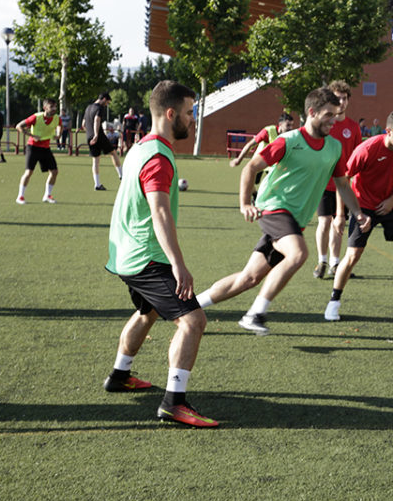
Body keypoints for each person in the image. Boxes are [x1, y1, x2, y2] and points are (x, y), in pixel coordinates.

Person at [194, 87, 371, 336]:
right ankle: (255, 313)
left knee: (248, 278)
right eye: (329, 115)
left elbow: (343, 184)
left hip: (295, 221)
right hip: (274, 209)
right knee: (298, 254)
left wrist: (358, 213)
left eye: (336, 115)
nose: (334, 120)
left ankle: (188, 306)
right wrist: (245, 203)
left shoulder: (334, 148)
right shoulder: (288, 141)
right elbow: (251, 168)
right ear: (312, 112)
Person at [102, 80, 218, 428]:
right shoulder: (157, 157)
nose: (193, 119)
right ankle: (173, 402)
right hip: (146, 257)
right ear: (171, 114)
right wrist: (179, 266)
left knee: (148, 312)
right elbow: (160, 213)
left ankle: (119, 375)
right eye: (189, 112)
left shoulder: (140, 147)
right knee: (194, 321)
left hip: (125, 253)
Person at [324, 108, 393, 321]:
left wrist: (392, 199)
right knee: (352, 256)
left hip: (391, 205)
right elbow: (343, 180)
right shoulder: (367, 149)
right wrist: (342, 214)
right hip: (364, 206)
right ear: (388, 131)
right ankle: (334, 301)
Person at [313, 81, 362, 279]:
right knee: (324, 222)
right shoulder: (325, 124)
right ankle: (321, 261)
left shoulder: (353, 127)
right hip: (324, 183)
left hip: (344, 185)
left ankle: (335, 263)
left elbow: (358, 156)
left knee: (338, 224)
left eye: (344, 98)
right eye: (337, 98)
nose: (341, 102)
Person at [230, 112, 295, 201]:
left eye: (292, 126)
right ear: (280, 124)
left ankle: (268, 200)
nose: (290, 128)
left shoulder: (289, 136)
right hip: (259, 161)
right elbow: (250, 144)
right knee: (250, 181)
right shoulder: (268, 131)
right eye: (288, 125)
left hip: (272, 164)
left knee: (273, 183)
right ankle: (255, 195)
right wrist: (239, 159)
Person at [15, 99, 60, 205]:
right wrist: (32, 135)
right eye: (51, 107)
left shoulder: (57, 118)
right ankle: (20, 196)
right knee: (29, 172)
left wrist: (58, 135)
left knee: (54, 172)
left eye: (55, 107)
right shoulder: (36, 117)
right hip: (33, 147)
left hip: (45, 148)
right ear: (45, 108)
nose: (54, 109)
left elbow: (60, 126)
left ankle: (47, 195)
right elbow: (19, 126)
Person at [83, 92, 122, 191]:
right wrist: (96, 134)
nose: (107, 105)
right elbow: (97, 120)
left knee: (95, 160)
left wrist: (90, 133)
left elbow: (83, 124)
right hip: (98, 135)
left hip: (89, 136)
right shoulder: (99, 108)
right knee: (113, 153)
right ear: (104, 99)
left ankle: (97, 184)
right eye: (107, 102)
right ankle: (122, 176)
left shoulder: (88, 107)